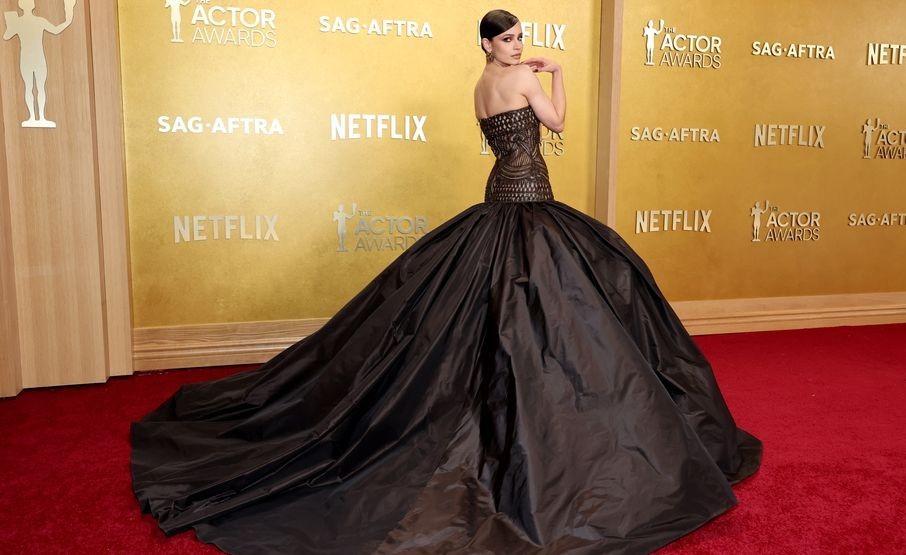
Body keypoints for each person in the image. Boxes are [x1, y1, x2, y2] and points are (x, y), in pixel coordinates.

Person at [131, 9, 761, 554]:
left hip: (499, 198)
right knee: (548, 308)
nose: (518, 47)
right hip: (529, 200)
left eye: (521, 38)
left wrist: (527, 76)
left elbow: (510, 136)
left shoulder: (482, 85)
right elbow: (559, 126)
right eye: (509, 39)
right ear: (488, 43)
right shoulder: (518, 78)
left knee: (494, 306)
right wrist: (557, 74)